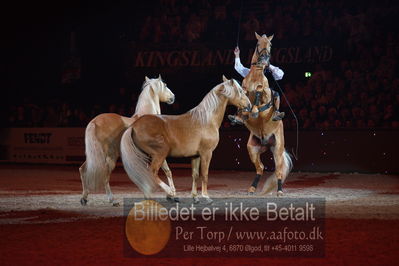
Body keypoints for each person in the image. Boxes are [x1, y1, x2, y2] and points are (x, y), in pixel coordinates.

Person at [228, 46, 285, 124]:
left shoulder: (269, 72)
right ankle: (240, 115)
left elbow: (281, 74)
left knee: (277, 94)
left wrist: (269, 65)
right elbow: (239, 68)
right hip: (252, 94)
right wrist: (237, 55)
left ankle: (276, 112)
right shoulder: (250, 73)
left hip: (267, 94)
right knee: (243, 91)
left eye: (262, 61)